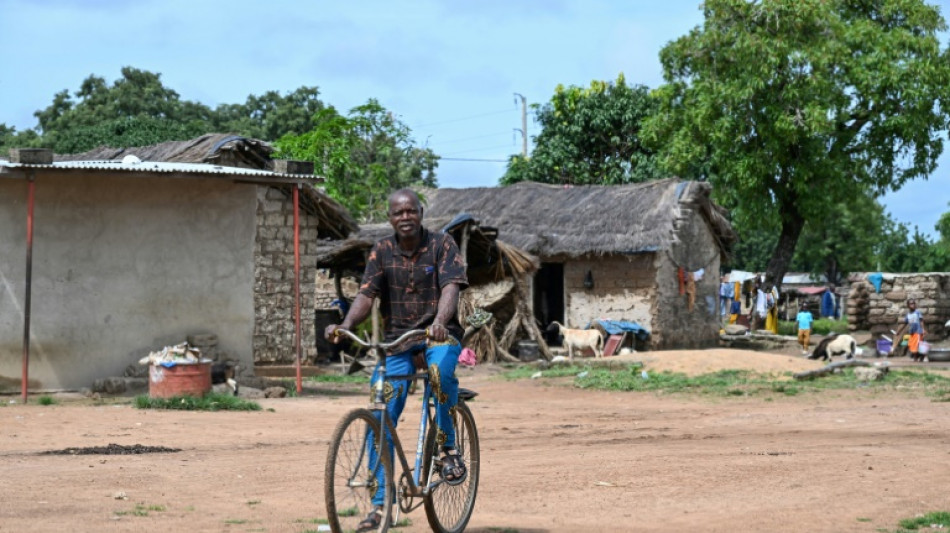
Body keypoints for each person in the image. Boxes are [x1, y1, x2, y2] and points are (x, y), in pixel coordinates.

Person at [325, 189, 469, 531]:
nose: (405, 217)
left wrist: (439, 322)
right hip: (398, 346)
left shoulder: (442, 245)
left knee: (438, 372)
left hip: (438, 337)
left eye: (411, 211)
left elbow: (451, 288)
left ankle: (447, 448)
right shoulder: (382, 252)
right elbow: (366, 295)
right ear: (390, 218)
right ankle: (380, 505)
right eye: (398, 213)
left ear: (420, 213)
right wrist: (345, 326)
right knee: (381, 415)